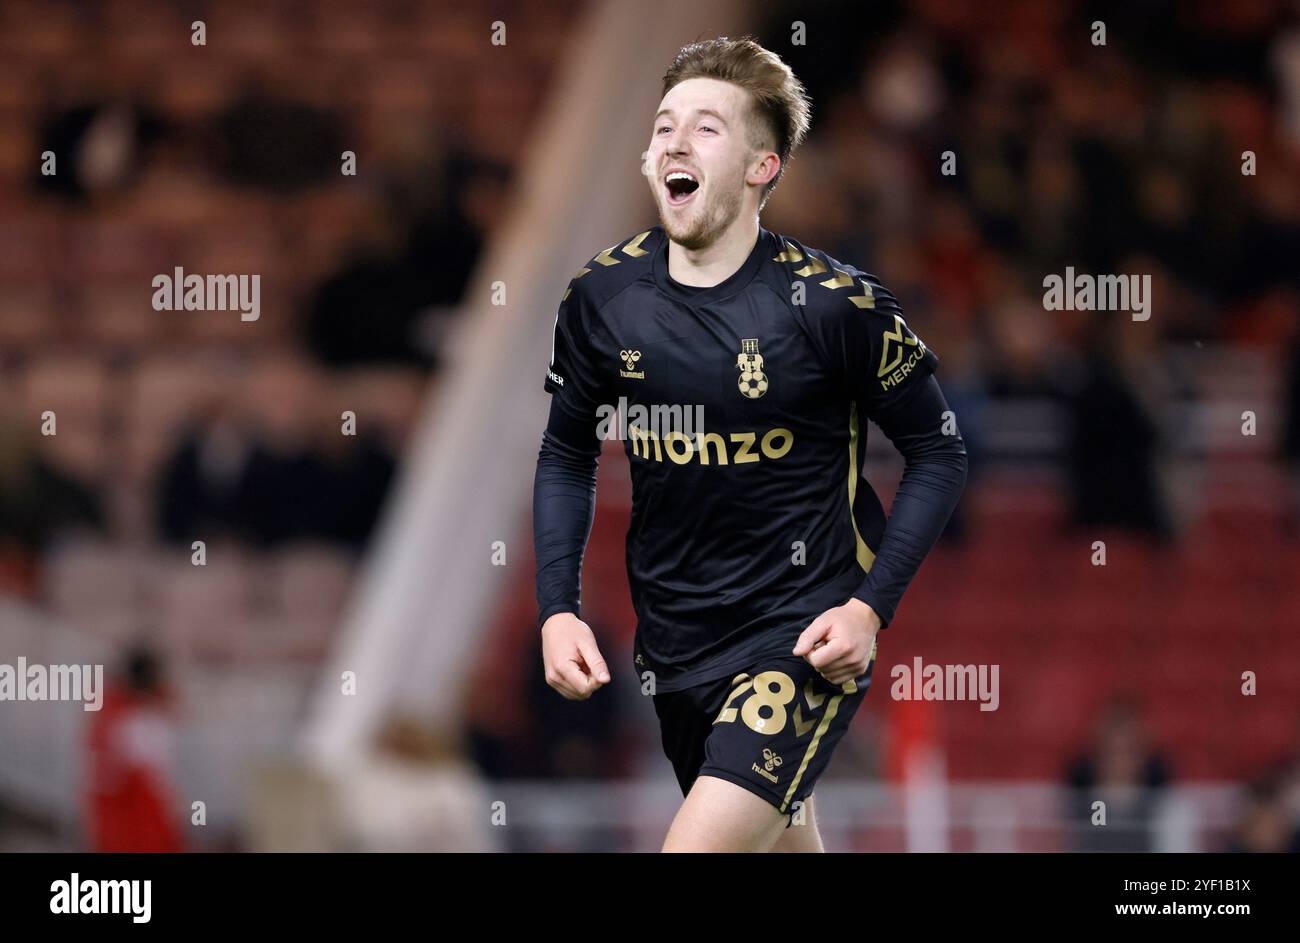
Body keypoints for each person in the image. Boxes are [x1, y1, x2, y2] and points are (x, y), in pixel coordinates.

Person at [532, 37, 967, 852]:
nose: (675, 143)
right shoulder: (602, 300)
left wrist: (870, 610)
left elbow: (939, 452)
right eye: (664, 127)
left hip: (801, 634)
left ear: (762, 167)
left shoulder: (834, 307)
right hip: (675, 644)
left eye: (706, 128)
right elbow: (566, 453)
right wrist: (558, 610)